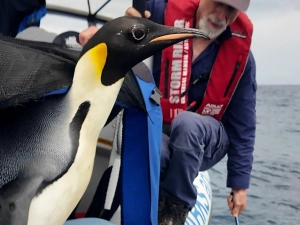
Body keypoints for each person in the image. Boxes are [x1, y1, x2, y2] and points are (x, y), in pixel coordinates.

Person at [79, 0, 256, 224]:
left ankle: (175, 209)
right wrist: (105, 35)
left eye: (231, 10)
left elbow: (244, 124)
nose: (221, 15)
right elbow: (134, 16)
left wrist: (239, 184)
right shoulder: (160, 15)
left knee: (188, 125)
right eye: (217, 3)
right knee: (153, 150)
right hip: (161, 128)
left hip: (207, 139)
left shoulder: (243, 58)